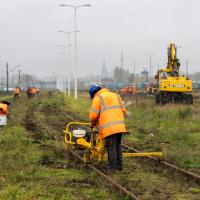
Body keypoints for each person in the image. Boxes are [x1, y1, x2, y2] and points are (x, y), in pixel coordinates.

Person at [89, 85, 127, 172]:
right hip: (120, 126)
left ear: (93, 94)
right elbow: (124, 111)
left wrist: (92, 124)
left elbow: (93, 116)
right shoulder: (116, 95)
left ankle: (112, 167)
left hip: (109, 128)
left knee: (111, 147)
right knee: (117, 146)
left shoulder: (97, 98)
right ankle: (119, 166)